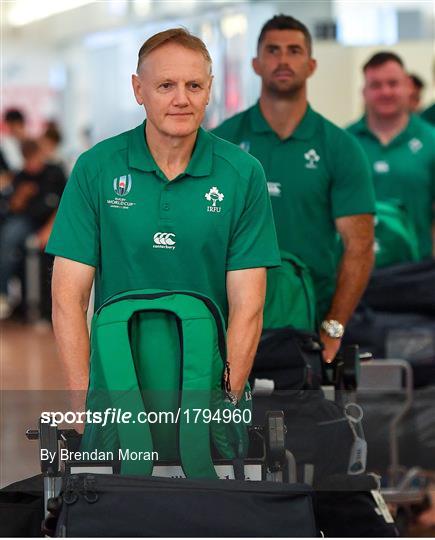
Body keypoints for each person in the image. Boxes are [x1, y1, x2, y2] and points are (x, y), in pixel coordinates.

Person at [46, 28, 280, 405]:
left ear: (210, 89)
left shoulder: (242, 173)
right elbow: (67, 297)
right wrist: (83, 402)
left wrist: (228, 399)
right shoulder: (96, 168)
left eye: (194, 85)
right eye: (166, 86)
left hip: (206, 386)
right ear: (139, 90)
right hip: (118, 387)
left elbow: (247, 305)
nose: (181, 100)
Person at [212, 15, 375, 363]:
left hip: (309, 329)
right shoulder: (221, 143)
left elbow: (359, 247)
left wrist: (333, 328)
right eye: (272, 50)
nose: (283, 60)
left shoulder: (340, 147)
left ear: (311, 64)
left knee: (301, 419)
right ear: (256, 64)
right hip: (229, 325)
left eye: (294, 50)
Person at [348, 52, 435, 260]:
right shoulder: (344, 143)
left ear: (408, 87)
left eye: (393, 83)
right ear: (364, 92)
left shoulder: (432, 141)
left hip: (416, 273)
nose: (385, 92)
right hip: (354, 271)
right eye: (376, 85)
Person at [0, 139, 66, 319]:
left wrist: (49, 230)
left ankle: (45, 309)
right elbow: (13, 207)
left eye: (33, 159)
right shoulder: (21, 175)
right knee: (9, 239)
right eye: (26, 160)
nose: (31, 165)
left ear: (41, 154)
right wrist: (21, 195)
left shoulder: (54, 173)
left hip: (52, 222)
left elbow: (65, 204)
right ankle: (6, 296)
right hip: (27, 221)